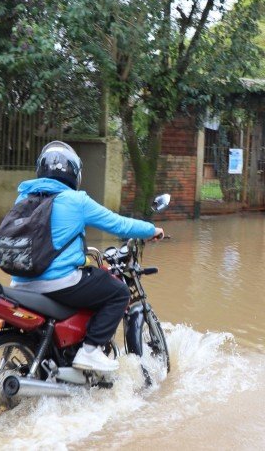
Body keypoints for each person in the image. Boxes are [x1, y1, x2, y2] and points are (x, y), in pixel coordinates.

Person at [10, 141, 163, 373]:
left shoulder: (23, 198)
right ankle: (90, 350)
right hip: (58, 284)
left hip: (19, 284)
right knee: (118, 293)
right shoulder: (76, 201)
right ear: (74, 173)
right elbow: (119, 225)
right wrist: (151, 230)